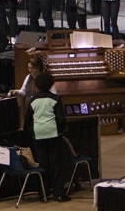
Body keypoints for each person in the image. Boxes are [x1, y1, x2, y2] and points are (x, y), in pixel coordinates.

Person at [25, 72, 70, 203]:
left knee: (42, 164)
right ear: (51, 84)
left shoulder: (33, 100)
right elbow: (60, 119)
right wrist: (61, 131)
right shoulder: (55, 99)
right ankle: (59, 194)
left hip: (38, 135)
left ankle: (43, 193)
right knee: (57, 163)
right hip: (53, 134)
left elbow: (27, 120)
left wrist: (30, 131)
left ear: (37, 85)